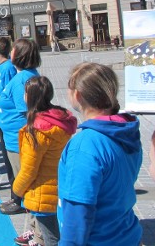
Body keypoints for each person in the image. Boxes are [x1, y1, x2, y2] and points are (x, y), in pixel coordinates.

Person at [58, 63, 142, 246]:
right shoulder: (126, 130)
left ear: (77, 95)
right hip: (125, 234)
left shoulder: (85, 145)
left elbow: (78, 214)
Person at [12, 76, 76, 246]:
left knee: (51, 238)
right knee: (58, 232)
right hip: (60, 185)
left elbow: (29, 169)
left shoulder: (36, 130)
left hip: (42, 190)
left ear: (30, 96)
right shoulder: (60, 120)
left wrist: (16, 190)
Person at [0, 38, 41, 215]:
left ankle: (26, 207)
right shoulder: (25, 75)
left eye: (13, 50)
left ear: (19, 55)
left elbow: (27, 113)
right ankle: (19, 200)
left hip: (18, 138)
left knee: (22, 175)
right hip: (13, 135)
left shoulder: (22, 79)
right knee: (19, 174)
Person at [0, 37, 19, 213]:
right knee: (8, 161)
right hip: (2, 119)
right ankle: (13, 196)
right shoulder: (0, 66)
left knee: (12, 162)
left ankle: (17, 198)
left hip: (8, 120)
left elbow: (10, 93)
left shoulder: (7, 68)